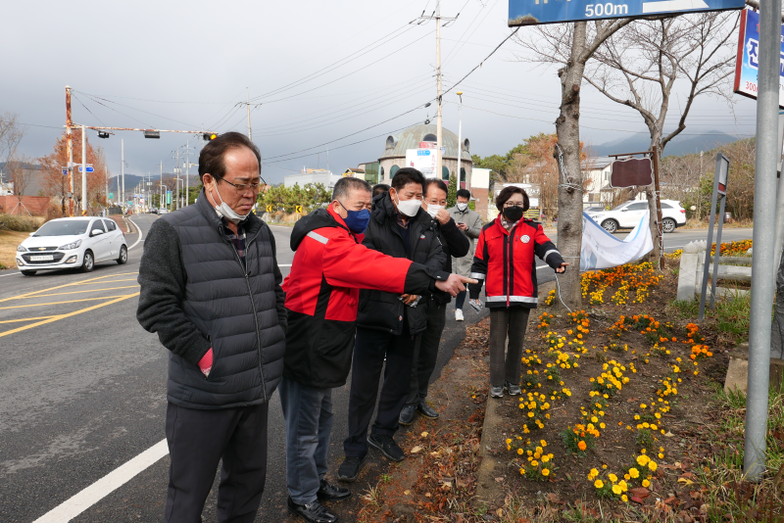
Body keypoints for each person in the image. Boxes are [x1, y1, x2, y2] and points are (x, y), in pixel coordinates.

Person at [281, 176, 470, 523]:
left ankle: (315, 481)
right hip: (309, 342)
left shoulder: (340, 232)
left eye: (369, 205)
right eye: (359, 207)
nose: (366, 213)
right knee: (304, 429)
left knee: (321, 421)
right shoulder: (328, 239)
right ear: (336, 206)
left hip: (326, 341)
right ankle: (302, 496)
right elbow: (373, 265)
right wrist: (432, 278)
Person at [136, 132, 286, 523]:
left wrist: (275, 340)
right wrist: (206, 356)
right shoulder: (173, 231)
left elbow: (274, 293)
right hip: (204, 396)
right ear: (209, 181)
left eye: (256, 183)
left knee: (246, 488)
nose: (252, 193)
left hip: (254, 390)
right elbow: (156, 308)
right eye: (241, 184)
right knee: (188, 497)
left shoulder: (260, 232)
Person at [340, 168, 446, 479]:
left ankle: (382, 432)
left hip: (410, 317)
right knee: (363, 388)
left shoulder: (426, 224)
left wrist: (418, 286)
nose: (414, 202)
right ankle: (354, 449)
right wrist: (401, 281)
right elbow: (365, 260)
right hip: (376, 315)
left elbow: (438, 260)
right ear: (393, 193)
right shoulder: (372, 222)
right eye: (409, 196)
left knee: (398, 382)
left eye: (418, 196)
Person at [468, 186, 568, 399]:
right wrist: (474, 291)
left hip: (523, 294)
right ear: (502, 205)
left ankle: (512, 381)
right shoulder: (488, 230)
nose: (515, 207)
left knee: (517, 341)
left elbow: (545, 247)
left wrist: (556, 261)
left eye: (519, 205)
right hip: (496, 295)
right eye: (510, 204)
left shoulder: (532, 229)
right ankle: (496, 383)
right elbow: (479, 264)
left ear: (525, 207)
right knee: (496, 341)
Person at [399, 179, 470, 426]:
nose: (437, 206)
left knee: (429, 353)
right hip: (413, 298)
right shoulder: (409, 224)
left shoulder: (444, 225)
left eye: (442, 202)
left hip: (437, 300)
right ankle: (407, 401)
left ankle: (420, 397)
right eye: (432, 201)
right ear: (421, 199)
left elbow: (462, 249)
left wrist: (448, 224)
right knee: (411, 352)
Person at [447, 189, 483, 322]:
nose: (461, 203)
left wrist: (467, 229)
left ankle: (459, 309)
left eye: (464, 201)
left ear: (468, 201)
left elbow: (480, 233)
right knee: (444, 280)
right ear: (456, 199)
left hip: (465, 254)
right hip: (448, 253)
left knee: (463, 281)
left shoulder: (474, 216)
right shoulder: (448, 212)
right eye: (459, 201)